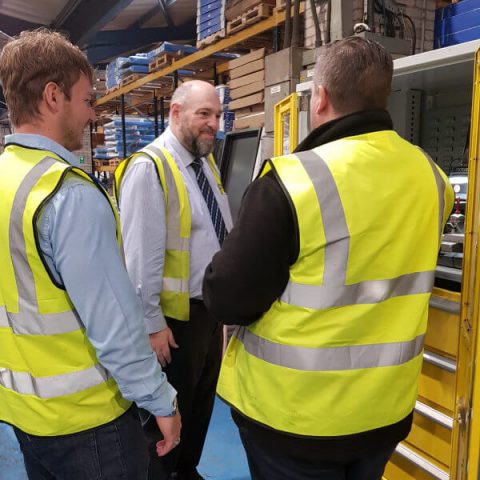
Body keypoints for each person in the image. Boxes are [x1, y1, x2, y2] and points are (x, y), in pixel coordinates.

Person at [202, 37, 454, 480]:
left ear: (320, 98)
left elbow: (227, 297)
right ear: (384, 95)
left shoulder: (292, 181)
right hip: (383, 412)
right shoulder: (433, 179)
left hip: (295, 419)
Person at [0, 29, 181, 480]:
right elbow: (115, 327)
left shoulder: (6, 179)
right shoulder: (67, 195)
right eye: (86, 99)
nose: (92, 114)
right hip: (90, 424)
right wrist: (160, 401)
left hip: (27, 416)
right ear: (52, 96)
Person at [114, 80, 233, 480]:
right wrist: (151, 325)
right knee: (166, 428)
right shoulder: (151, 168)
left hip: (207, 318)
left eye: (217, 115)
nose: (213, 124)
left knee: (200, 411)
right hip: (172, 326)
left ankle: (186, 471)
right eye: (204, 114)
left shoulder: (204, 165)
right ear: (176, 113)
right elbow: (139, 258)